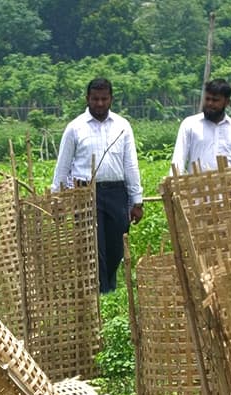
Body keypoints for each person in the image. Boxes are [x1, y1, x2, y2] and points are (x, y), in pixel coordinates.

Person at [50, 77, 144, 294]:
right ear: (87, 99)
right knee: (94, 247)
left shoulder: (122, 126)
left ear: (111, 99)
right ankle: (99, 293)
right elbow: (62, 168)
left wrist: (136, 200)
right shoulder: (75, 128)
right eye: (95, 99)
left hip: (116, 193)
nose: (99, 104)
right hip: (85, 193)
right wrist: (57, 199)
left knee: (116, 245)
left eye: (104, 99)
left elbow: (130, 164)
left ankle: (108, 287)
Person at [171, 79, 231, 175]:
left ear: (227, 102)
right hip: (197, 188)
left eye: (215, 100)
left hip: (228, 189)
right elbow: (178, 159)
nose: (210, 103)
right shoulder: (189, 125)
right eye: (207, 99)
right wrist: (174, 185)